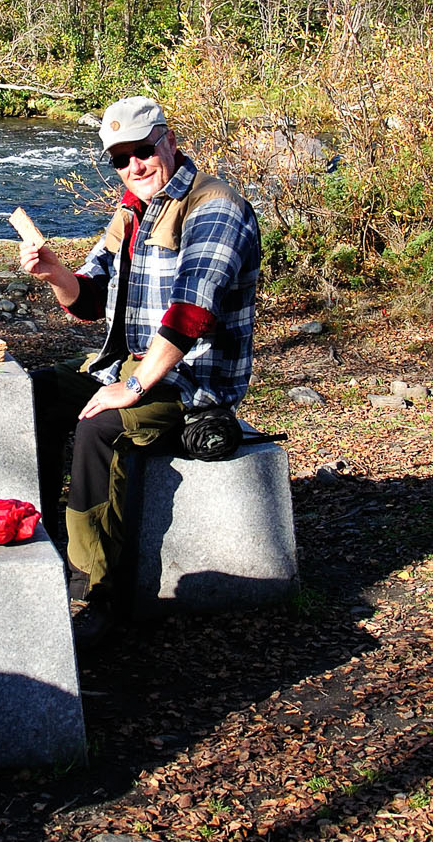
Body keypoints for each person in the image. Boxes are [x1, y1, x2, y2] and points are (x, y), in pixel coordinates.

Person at [18, 96, 261, 644]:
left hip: (192, 382)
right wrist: (57, 272)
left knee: (99, 428)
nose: (134, 166)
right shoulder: (131, 209)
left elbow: (192, 312)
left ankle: (100, 590)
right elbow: (89, 299)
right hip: (132, 365)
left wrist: (131, 386)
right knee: (34, 395)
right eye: (120, 158)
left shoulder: (215, 207)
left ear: (168, 142)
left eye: (143, 151)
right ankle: (39, 546)